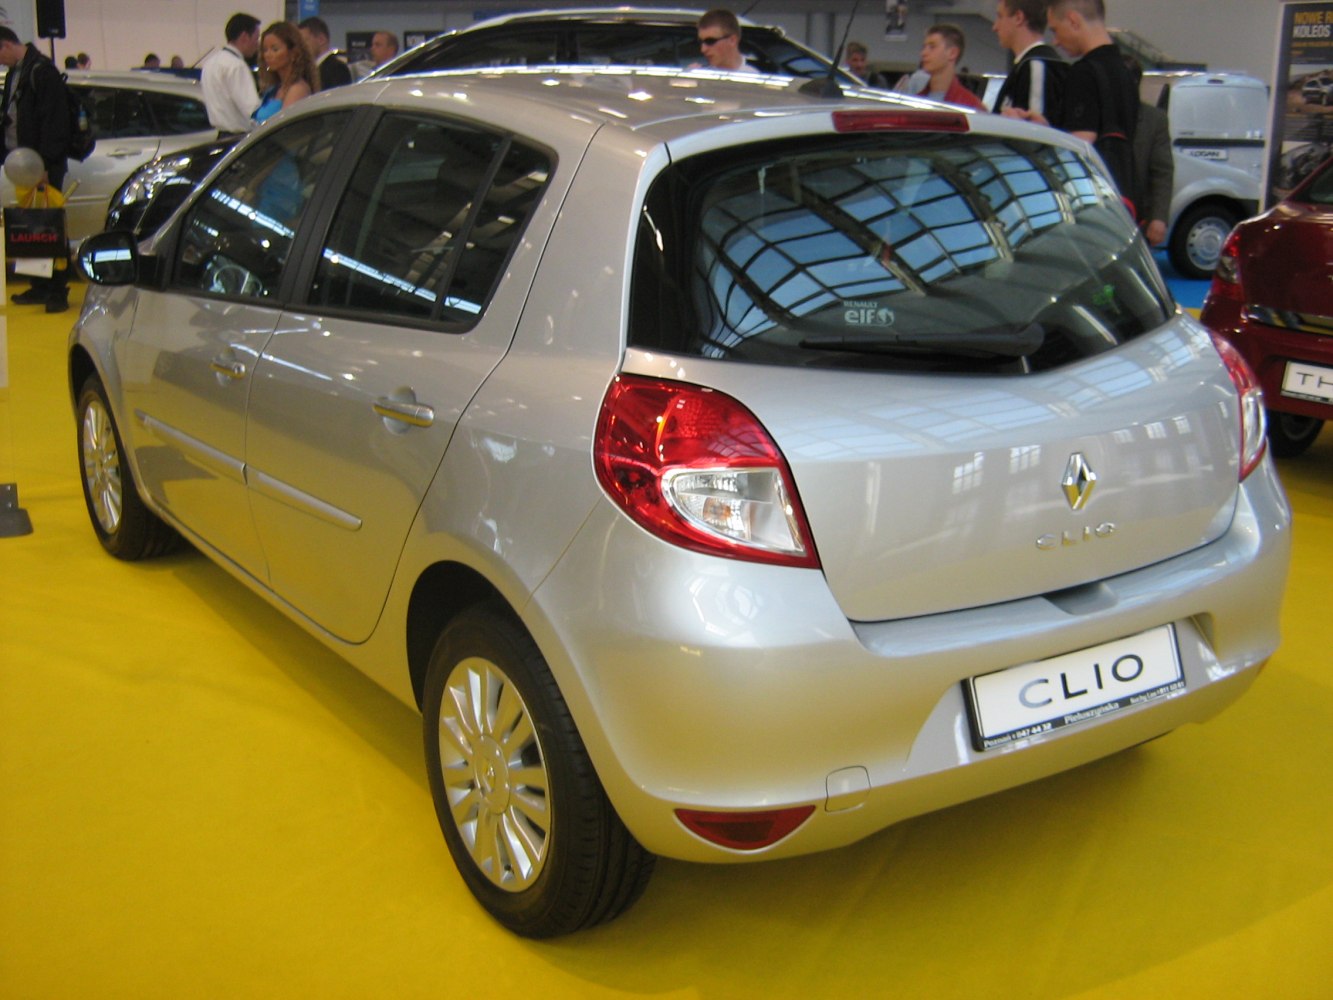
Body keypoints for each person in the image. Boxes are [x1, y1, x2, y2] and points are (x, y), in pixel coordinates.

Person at [0, 26, 73, 312]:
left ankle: (57, 289)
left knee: (50, 227)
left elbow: (54, 122)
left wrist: (44, 162)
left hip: (41, 165)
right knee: (30, 228)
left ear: (6, 45)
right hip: (23, 165)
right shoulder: (18, 72)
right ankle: (39, 285)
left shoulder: (42, 71)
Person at [1043, 0, 1139, 208]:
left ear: (1073, 20)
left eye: (1055, 30)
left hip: (1094, 200)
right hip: (1124, 196)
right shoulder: (1124, 71)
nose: (1056, 41)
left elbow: (1079, 145)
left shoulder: (1084, 73)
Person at [991, 0, 1068, 123]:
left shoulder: (1035, 66)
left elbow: (1034, 133)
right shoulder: (1027, 65)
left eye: (1000, 16)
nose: (995, 27)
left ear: (1018, 17)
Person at [1126, 55, 1172, 245]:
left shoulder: (1155, 120)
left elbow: (1162, 172)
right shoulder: (1097, 116)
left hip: (1139, 217)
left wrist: (1159, 218)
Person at [201, 12, 261, 135]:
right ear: (244, 37)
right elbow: (252, 109)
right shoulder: (236, 66)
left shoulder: (210, 63)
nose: (257, 44)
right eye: (256, 38)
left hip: (220, 135)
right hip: (239, 136)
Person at [253, 21, 317, 126]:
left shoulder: (298, 89)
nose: (268, 55)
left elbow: (284, 129)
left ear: (293, 53)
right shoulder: (274, 89)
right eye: (265, 50)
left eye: (275, 49)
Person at [916, 23, 986, 110]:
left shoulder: (971, 106)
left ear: (952, 53)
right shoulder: (916, 101)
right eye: (924, 47)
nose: (923, 53)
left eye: (932, 47)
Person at [299, 16, 351, 91]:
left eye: (304, 41)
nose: (301, 47)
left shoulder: (336, 69)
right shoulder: (310, 70)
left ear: (321, 40)